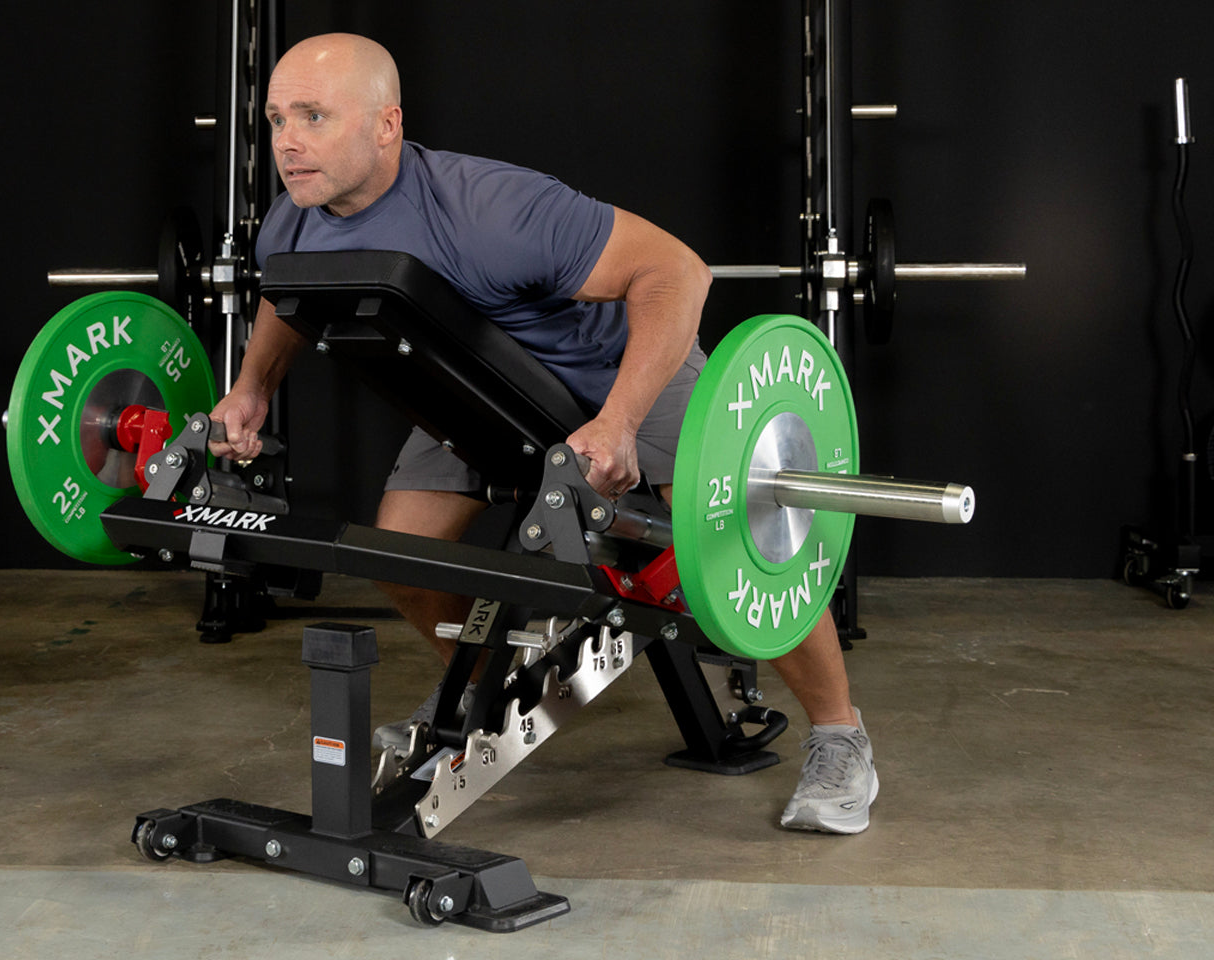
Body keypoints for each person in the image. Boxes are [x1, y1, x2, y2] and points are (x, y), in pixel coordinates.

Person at [209, 33, 877, 835]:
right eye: (279, 118)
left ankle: (842, 736)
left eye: (314, 116)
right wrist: (250, 389)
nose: (287, 141)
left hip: (621, 375)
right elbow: (283, 302)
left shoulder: (491, 207)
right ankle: (481, 686)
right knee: (404, 548)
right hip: (478, 389)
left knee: (739, 538)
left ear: (387, 125)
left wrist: (621, 421)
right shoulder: (294, 221)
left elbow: (677, 273)